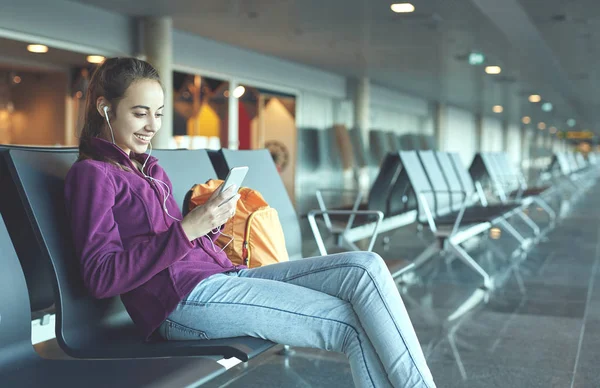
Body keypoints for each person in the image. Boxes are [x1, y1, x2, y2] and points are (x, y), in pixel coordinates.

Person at [64, 57, 436, 388]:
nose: (152, 125)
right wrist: (188, 229)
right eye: (140, 113)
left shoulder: (148, 168)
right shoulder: (93, 175)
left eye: (159, 114)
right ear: (106, 109)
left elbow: (173, 242)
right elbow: (101, 276)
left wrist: (210, 224)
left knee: (365, 266)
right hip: (181, 303)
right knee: (349, 322)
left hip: (223, 278)